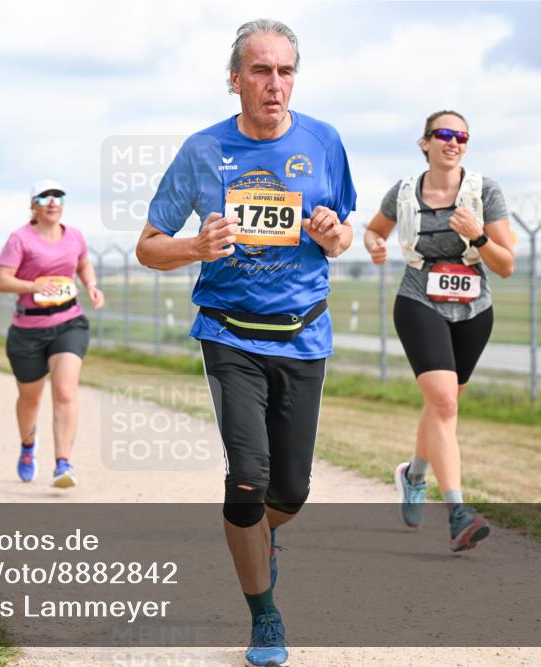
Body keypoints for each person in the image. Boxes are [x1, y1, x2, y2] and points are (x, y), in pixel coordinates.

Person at [135, 20, 355, 666]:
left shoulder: (325, 142)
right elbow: (148, 246)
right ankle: (265, 616)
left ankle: (256, 541)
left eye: (285, 71)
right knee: (249, 477)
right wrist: (195, 247)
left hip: (304, 332)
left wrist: (330, 234)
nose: (274, 84)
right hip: (229, 331)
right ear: (234, 80)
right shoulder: (203, 151)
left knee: (290, 491)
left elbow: (343, 234)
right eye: (260, 71)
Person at [363, 110, 515, 552]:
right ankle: (458, 512)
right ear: (425, 142)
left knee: (442, 404)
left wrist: (479, 236)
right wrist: (374, 245)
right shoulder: (406, 191)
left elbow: (506, 266)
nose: (453, 142)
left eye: (461, 136)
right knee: (445, 402)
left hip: (473, 309)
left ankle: (413, 475)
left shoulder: (484, 191)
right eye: (444, 134)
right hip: (419, 299)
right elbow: (375, 231)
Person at [0, 180, 104, 489]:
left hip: (69, 323)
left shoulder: (75, 236)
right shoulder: (20, 239)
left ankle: (63, 463)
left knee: (65, 391)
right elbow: (1, 280)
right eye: (44, 197)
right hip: (27, 330)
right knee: (30, 399)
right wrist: (32, 286)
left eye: (58, 196)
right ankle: (28, 446)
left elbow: (83, 263)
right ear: (33, 205)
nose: (52, 201)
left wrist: (91, 285)